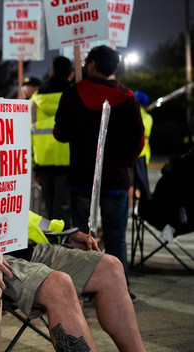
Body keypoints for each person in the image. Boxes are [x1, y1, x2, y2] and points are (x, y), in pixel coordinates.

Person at [0, 97, 147, 352]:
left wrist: (62, 233)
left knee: (110, 267)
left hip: (17, 248)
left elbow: (12, 210)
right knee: (59, 285)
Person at [54, 45, 145, 292]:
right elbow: (139, 139)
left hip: (81, 178)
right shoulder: (128, 97)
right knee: (116, 238)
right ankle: (119, 289)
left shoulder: (73, 94)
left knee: (82, 238)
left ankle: (85, 288)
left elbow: (59, 134)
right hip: (115, 180)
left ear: (92, 65)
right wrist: (123, 163)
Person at [30, 56, 73, 224]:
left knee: (47, 207)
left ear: (51, 72)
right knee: (63, 208)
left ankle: (50, 246)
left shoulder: (35, 99)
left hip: (43, 162)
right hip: (68, 161)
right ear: (70, 74)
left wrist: (34, 165)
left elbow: (30, 134)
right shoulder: (73, 95)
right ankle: (63, 246)